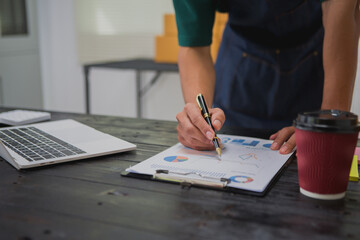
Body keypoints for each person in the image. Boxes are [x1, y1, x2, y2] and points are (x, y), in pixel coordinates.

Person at [173, 0, 360, 154]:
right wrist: (199, 122)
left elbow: (342, 9)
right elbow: (194, 46)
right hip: (242, 67)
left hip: (315, 61)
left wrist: (329, 119)